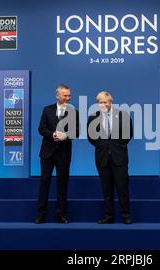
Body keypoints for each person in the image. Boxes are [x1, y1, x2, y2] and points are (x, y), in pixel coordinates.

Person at [87, 91, 133, 224]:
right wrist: (102, 146)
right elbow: (91, 137)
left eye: (105, 102)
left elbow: (129, 134)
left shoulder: (122, 115)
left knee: (122, 188)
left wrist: (117, 146)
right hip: (102, 158)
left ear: (110, 102)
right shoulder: (93, 117)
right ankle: (109, 216)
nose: (103, 105)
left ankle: (126, 216)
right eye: (100, 102)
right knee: (106, 189)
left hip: (119, 158)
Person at [35, 84, 79, 224]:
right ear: (57, 96)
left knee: (62, 184)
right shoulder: (47, 110)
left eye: (69, 95)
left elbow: (77, 132)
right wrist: (53, 134)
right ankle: (41, 214)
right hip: (47, 153)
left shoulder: (74, 112)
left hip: (64, 154)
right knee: (44, 183)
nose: (68, 98)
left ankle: (61, 215)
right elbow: (41, 129)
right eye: (65, 95)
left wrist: (65, 136)